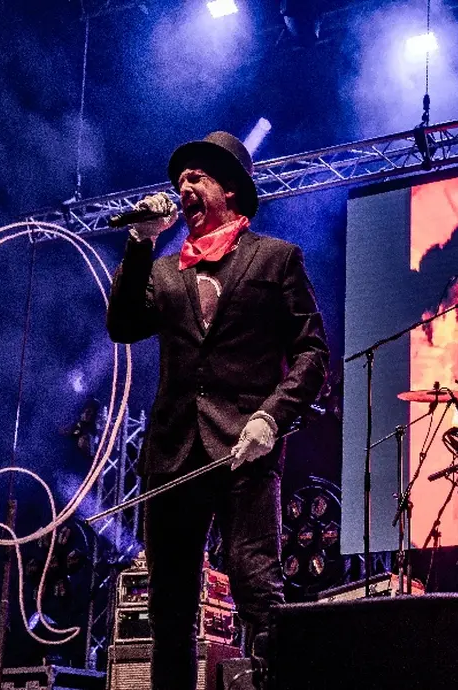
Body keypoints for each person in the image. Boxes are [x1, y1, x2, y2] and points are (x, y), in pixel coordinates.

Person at [106, 131, 329, 689]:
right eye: (179, 179)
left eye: (196, 177)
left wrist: (271, 417)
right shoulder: (164, 272)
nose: (183, 186)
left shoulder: (276, 258)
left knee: (258, 591)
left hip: (245, 449)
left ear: (229, 189)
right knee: (170, 609)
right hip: (173, 452)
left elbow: (312, 353)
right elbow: (123, 325)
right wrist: (139, 243)